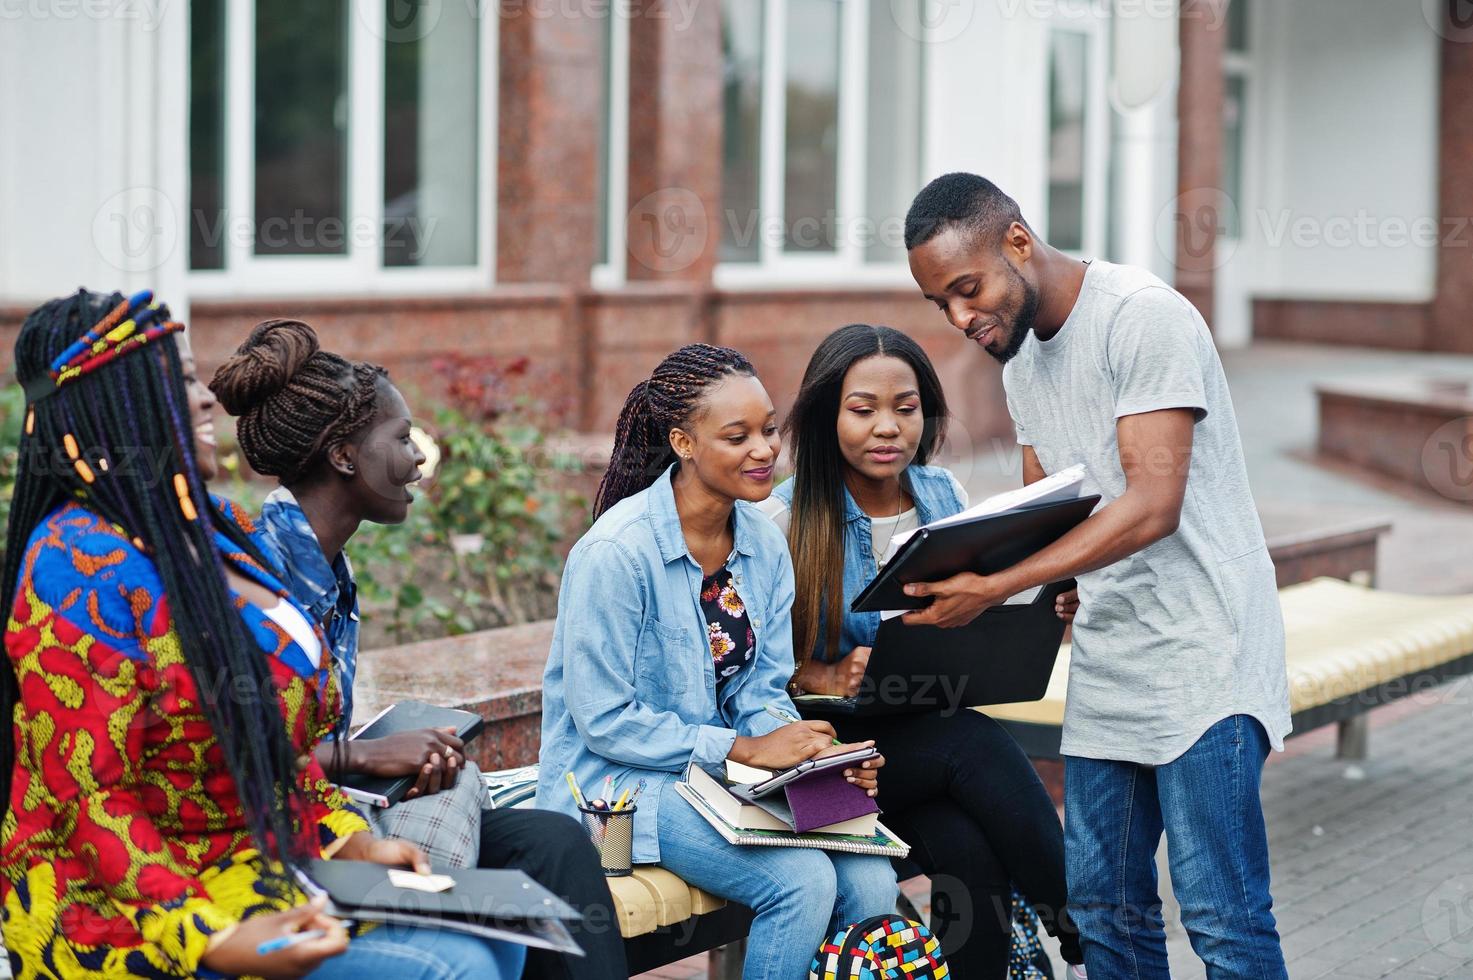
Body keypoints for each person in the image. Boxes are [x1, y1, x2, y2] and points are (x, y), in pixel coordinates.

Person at [0, 289, 523, 978]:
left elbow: (265, 749)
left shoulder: (214, 532)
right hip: (129, 916)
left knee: (502, 931)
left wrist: (346, 843)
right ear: (117, 399)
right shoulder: (73, 564)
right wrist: (208, 936)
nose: (208, 398)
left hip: (256, 869)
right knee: (452, 966)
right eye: (182, 379)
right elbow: (86, 798)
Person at [903, 173, 1292, 979]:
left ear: (1016, 240)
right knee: (1105, 913)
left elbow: (1153, 504)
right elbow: (1055, 508)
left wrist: (995, 584)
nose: (960, 318)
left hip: (1204, 649)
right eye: (940, 303)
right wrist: (1011, 578)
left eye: (966, 290)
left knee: (1220, 916)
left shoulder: (1138, 317)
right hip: (1113, 657)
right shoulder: (1020, 367)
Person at [209, 318, 627, 980]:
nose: (419, 458)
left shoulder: (326, 569)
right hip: (285, 841)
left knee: (553, 843)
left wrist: (384, 753)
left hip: (341, 808)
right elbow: (234, 752)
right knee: (499, 903)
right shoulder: (262, 580)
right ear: (344, 456)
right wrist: (367, 753)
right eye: (401, 439)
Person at [536, 344, 899, 980]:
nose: (764, 450)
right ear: (683, 441)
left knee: (870, 879)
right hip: (619, 786)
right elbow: (605, 722)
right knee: (802, 882)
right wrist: (744, 750)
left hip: (726, 780)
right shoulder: (616, 555)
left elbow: (763, 687)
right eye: (737, 436)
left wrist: (817, 755)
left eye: (768, 429)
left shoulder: (761, 540)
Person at [756, 322, 1086, 978]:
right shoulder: (782, 518)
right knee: (973, 744)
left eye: (905, 410)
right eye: (863, 410)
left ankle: (1071, 948)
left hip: (915, 747)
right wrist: (818, 671)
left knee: (969, 848)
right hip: (819, 770)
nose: (887, 427)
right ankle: (1088, 945)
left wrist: (1021, 612)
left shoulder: (943, 498)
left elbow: (958, 619)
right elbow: (745, 675)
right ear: (826, 416)